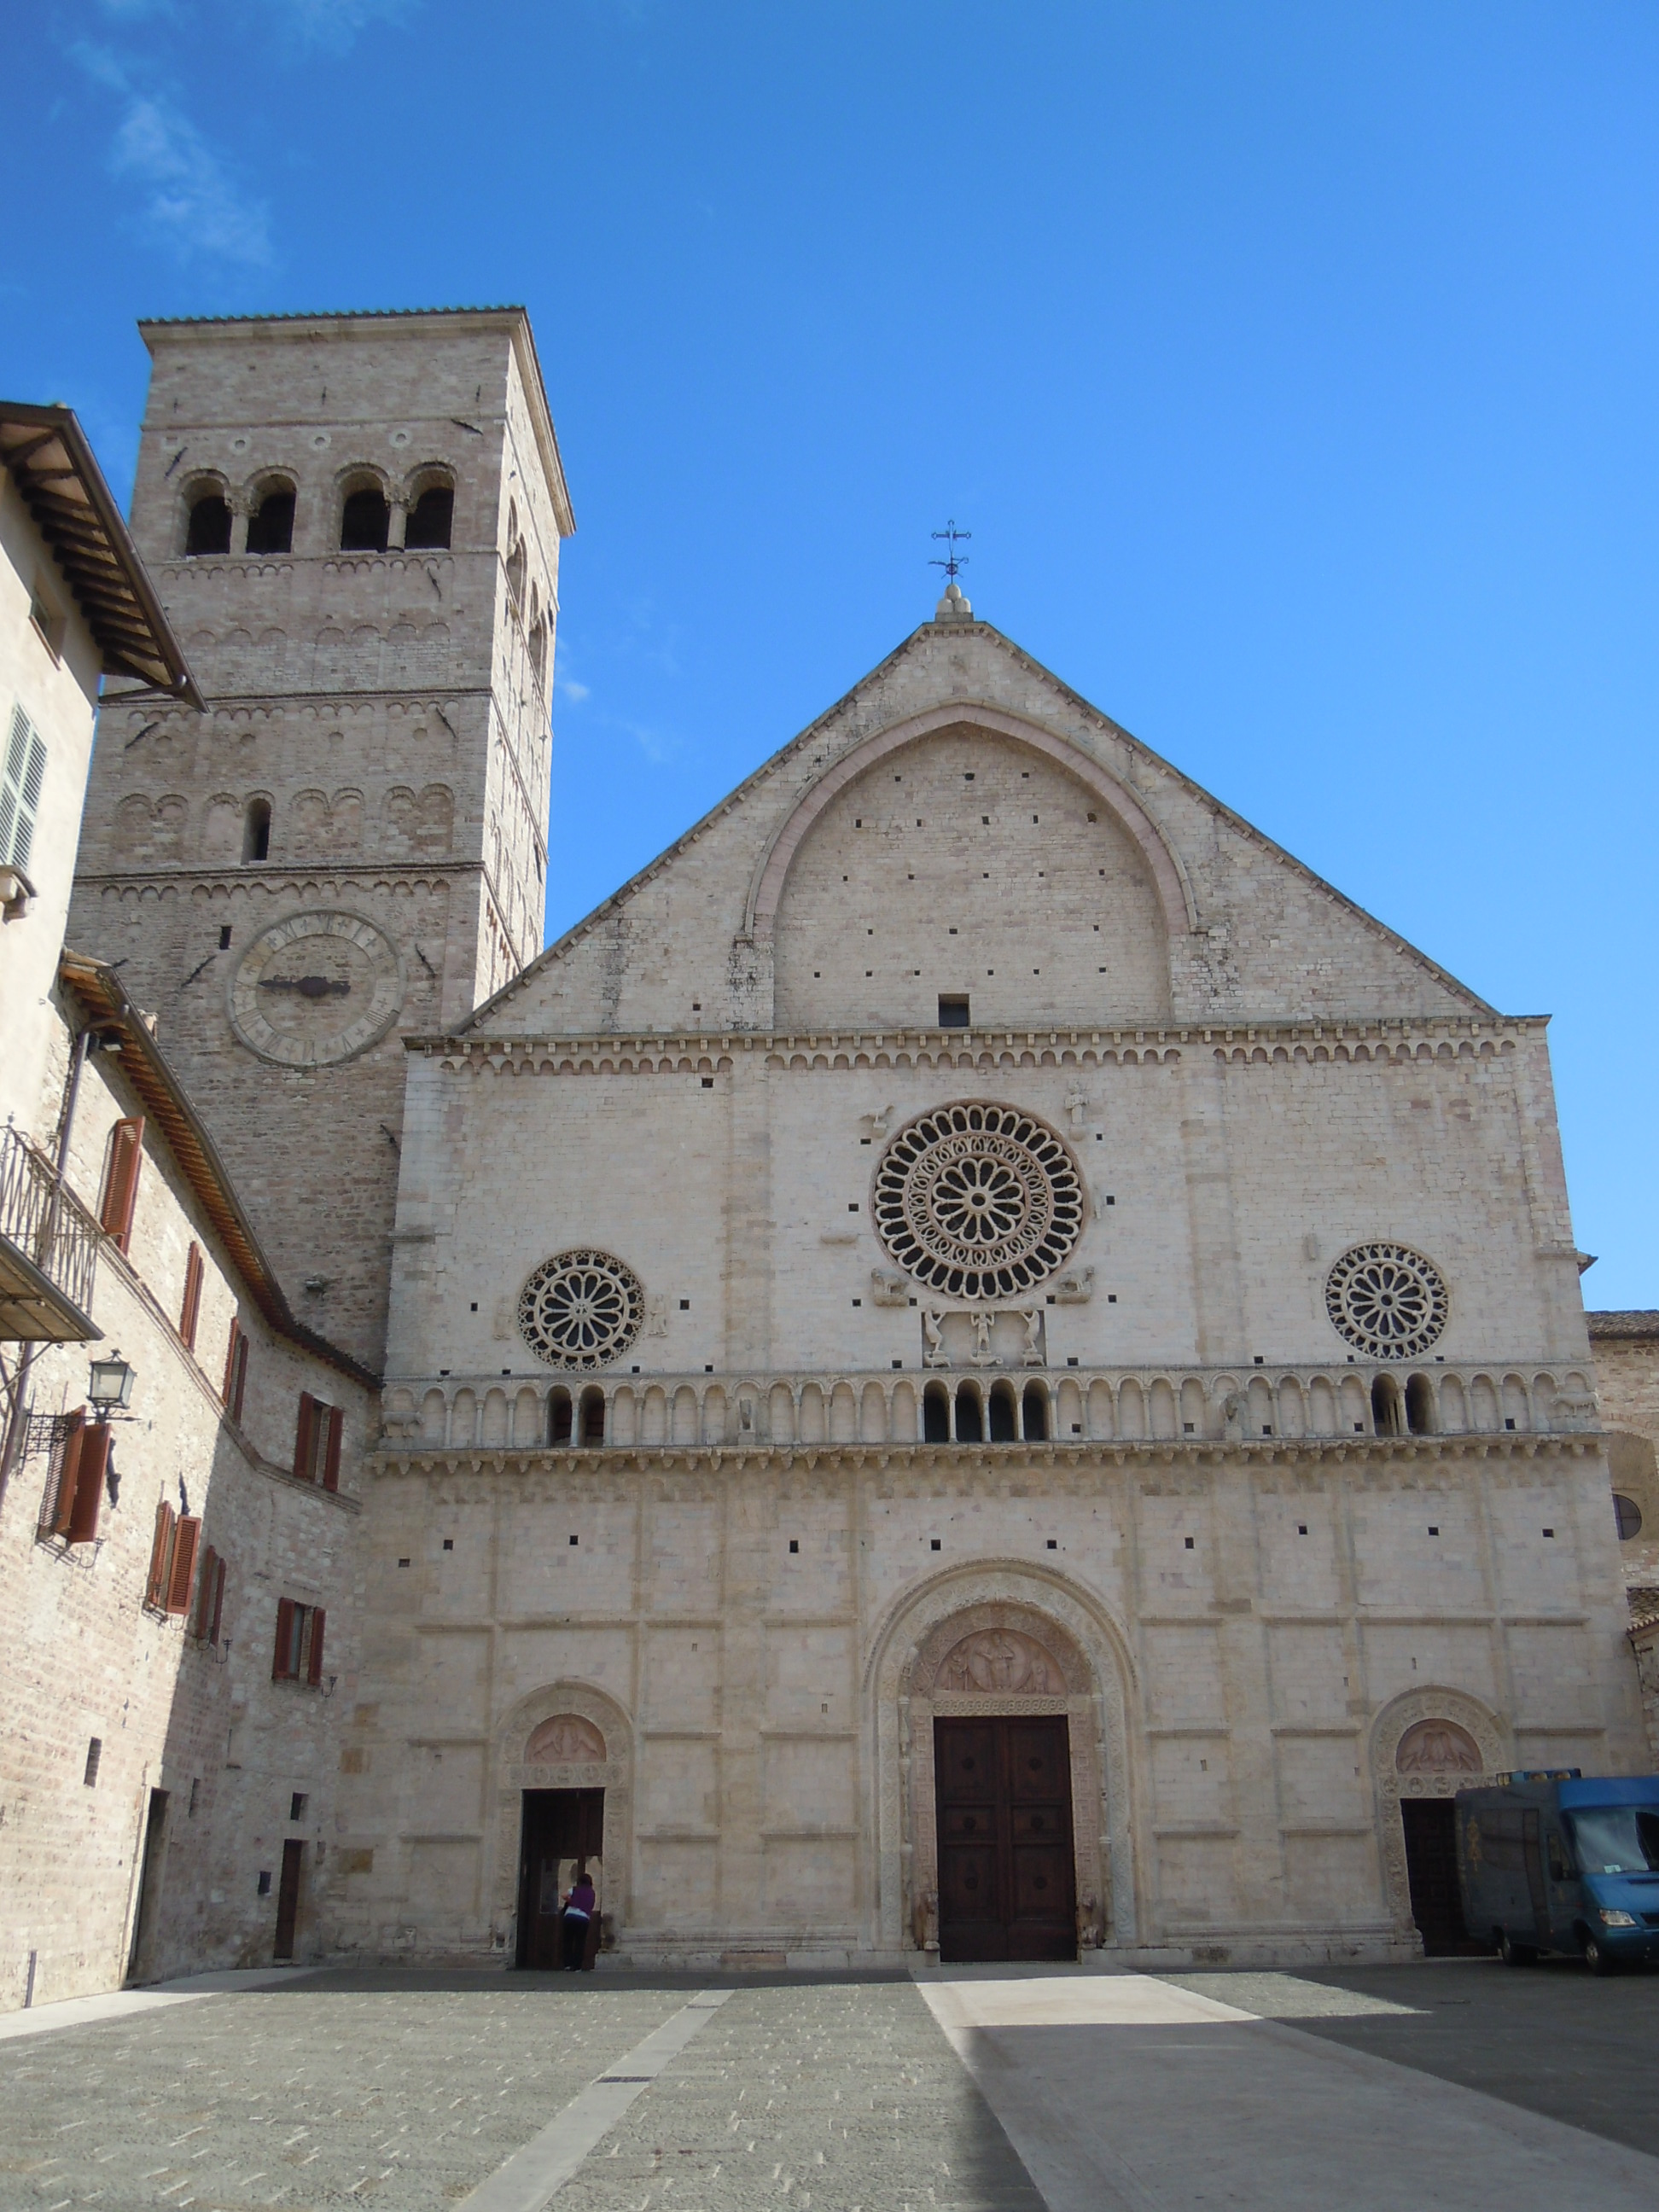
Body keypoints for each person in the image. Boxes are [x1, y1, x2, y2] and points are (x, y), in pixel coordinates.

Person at [561, 1868, 596, 1970]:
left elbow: (564, 1895)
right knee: (580, 1942)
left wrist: (571, 1901)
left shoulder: (575, 1889)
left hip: (570, 1916)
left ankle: (567, 1964)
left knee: (568, 1941)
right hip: (583, 1918)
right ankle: (577, 1966)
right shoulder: (591, 1893)